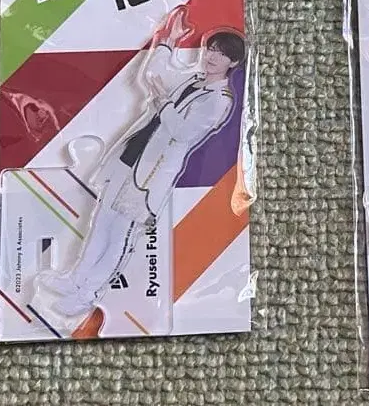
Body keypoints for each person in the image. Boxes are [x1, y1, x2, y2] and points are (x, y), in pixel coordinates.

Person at [37, 24, 246, 317]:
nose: (211, 56)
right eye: (211, 49)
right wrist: (168, 42)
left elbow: (183, 133)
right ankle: (76, 280)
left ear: (233, 62)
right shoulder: (194, 80)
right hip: (131, 156)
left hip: (152, 174)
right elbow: (153, 75)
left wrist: (164, 102)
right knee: (101, 223)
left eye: (221, 54)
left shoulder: (219, 99)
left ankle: (87, 294)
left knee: (120, 235)